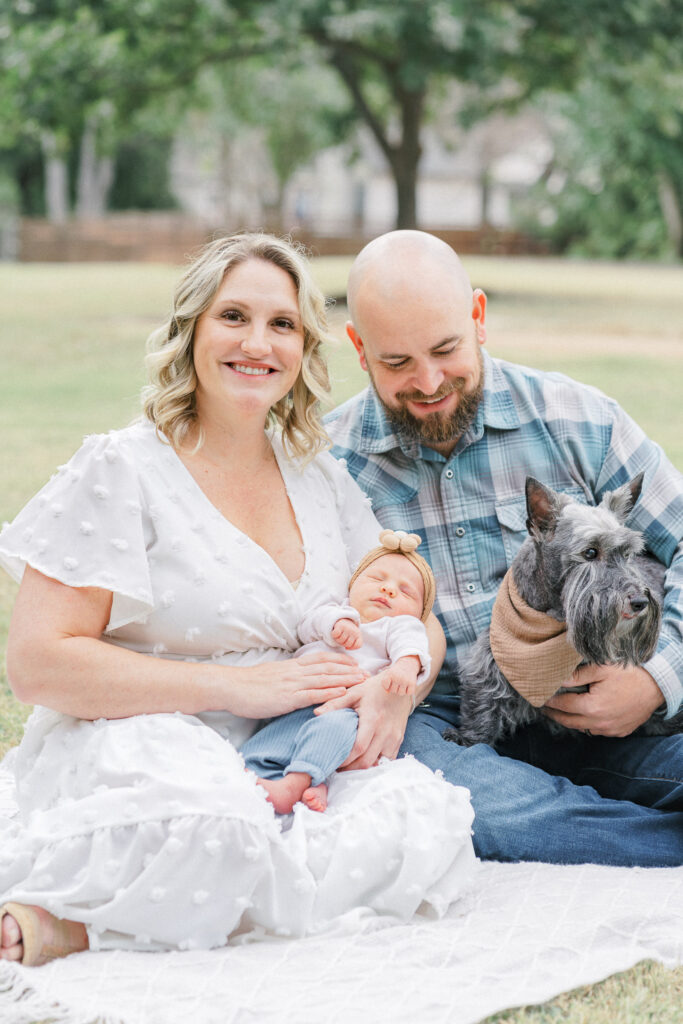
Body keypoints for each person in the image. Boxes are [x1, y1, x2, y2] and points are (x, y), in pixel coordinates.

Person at [0, 233, 477, 967]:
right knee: (212, 826)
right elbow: (35, 666)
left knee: (425, 823)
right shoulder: (122, 468)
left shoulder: (319, 477)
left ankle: (166, 905)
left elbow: (406, 615)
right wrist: (238, 686)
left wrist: (397, 689)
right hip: (146, 732)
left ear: (304, 348)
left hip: (295, 745)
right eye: (233, 316)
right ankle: (81, 925)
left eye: (282, 324)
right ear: (191, 329)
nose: (258, 342)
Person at [325, 229, 683, 866]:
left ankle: (577, 810)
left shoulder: (581, 419)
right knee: (484, 814)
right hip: (438, 719)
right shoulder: (332, 465)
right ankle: (622, 830)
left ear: (479, 318)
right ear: (358, 348)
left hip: (601, 700)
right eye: (397, 362)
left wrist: (657, 681)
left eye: (445, 349)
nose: (429, 382)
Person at [241, 528, 436, 813]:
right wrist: (337, 625)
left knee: (333, 731)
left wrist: (406, 666)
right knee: (266, 744)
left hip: (348, 710)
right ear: (353, 585)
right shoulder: (338, 610)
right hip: (299, 705)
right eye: (377, 579)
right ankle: (286, 777)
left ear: (419, 612)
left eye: (405, 591)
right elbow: (307, 626)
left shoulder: (398, 626)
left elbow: (413, 646)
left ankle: (295, 785)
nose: (389, 589)